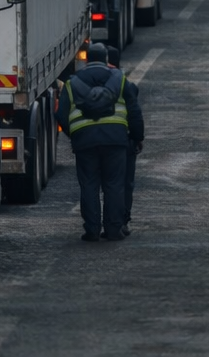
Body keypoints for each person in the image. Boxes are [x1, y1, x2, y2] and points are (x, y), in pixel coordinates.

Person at [57, 43, 131, 241]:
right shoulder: (118, 78)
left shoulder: (72, 83)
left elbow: (61, 114)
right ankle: (114, 229)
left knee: (89, 185)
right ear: (107, 59)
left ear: (87, 60)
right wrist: (136, 136)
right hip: (115, 140)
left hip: (85, 142)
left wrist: (74, 134)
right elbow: (134, 108)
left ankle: (92, 230)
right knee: (114, 185)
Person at [107, 45, 145, 236]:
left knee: (96, 184)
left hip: (91, 141)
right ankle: (120, 222)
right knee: (123, 183)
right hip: (122, 142)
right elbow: (135, 113)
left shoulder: (82, 81)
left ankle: (95, 226)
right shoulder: (124, 84)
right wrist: (137, 139)